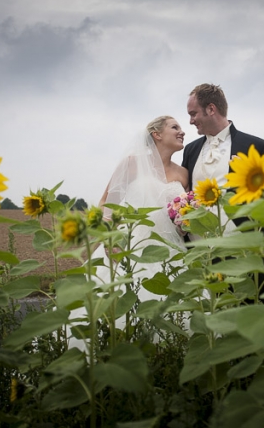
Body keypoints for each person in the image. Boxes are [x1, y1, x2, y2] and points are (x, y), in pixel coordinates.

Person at [67, 116, 189, 351]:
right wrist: (110, 237)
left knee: (172, 307)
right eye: (175, 127)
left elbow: (180, 212)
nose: (182, 131)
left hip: (171, 248)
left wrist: (184, 222)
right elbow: (105, 202)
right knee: (117, 303)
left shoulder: (183, 173)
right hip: (128, 246)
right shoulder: (132, 163)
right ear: (157, 134)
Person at [181, 83, 264, 300]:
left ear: (211, 109)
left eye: (193, 113)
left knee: (245, 310)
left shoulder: (256, 146)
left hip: (241, 250)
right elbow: (186, 195)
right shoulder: (191, 149)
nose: (190, 120)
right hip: (199, 250)